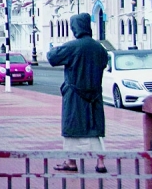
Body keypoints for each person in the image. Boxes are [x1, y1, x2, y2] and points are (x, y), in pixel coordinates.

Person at [47, 13, 110, 174]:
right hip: (94, 95)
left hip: (75, 94)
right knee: (95, 128)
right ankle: (100, 162)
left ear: (75, 27)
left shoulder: (72, 46)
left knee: (72, 127)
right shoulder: (100, 48)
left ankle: (71, 161)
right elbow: (103, 64)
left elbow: (52, 57)